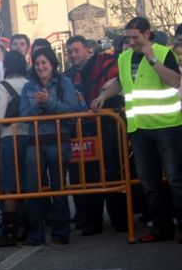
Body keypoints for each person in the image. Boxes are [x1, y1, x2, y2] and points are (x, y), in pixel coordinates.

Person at [91, 16, 182, 244]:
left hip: (167, 126)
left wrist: (152, 60)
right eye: (128, 37)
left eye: (135, 37)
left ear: (147, 34)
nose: (131, 42)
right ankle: (162, 229)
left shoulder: (163, 53)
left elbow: (175, 81)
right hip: (139, 128)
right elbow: (120, 82)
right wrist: (103, 96)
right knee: (149, 183)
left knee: (175, 180)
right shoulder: (123, 57)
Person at [19, 47, 86, 247]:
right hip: (34, 142)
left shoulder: (64, 82)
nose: (40, 67)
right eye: (37, 63)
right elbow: (23, 115)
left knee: (58, 187)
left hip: (58, 140)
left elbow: (72, 111)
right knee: (33, 190)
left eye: (44, 63)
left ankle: (61, 233)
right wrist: (37, 106)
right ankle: (36, 234)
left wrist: (48, 103)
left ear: (52, 64)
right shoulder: (28, 87)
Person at [65, 35, 126, 236]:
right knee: (89, 176)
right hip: (86, 130)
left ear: (88, 49)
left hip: (109, 125)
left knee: (112, 172)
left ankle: (120, 218)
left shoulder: (107, 63)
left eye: (76, 50)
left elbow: (119, 82)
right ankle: (93, 221)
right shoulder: (70, 75)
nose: (73, 55)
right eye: (70, 52)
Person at [0, 50, 29, 246]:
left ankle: (10, 230)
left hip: (10, 137)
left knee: (9, 184)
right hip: (30, 137)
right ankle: (30, 226)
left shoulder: (3, 86)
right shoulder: (30, 84)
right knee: (28, 183)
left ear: (7, 66)